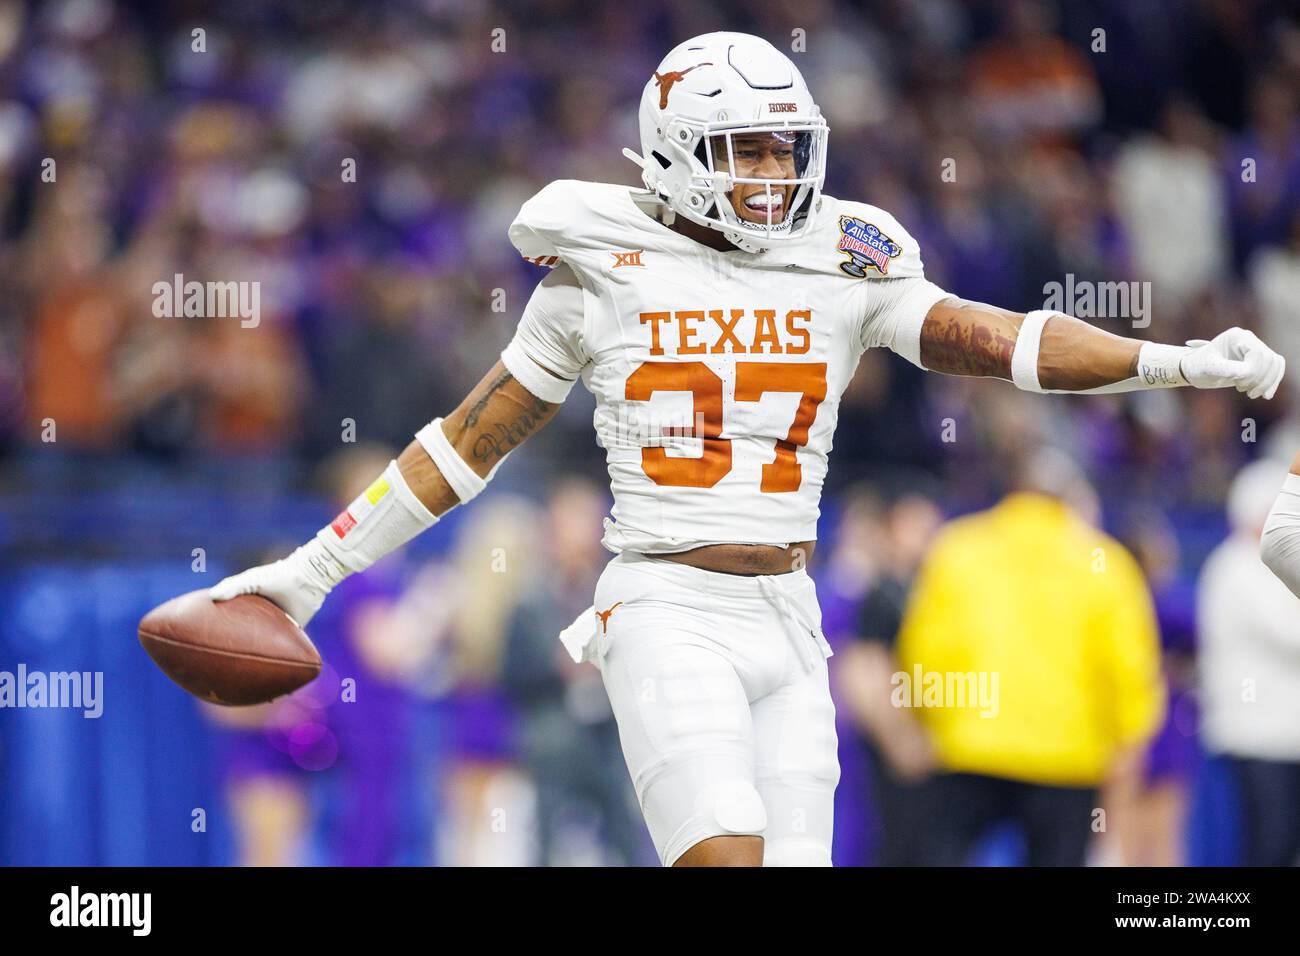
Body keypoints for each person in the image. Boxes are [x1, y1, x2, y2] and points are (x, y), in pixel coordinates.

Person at [210, 32, 1286, 867]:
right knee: (724, 851)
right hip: (667, 605)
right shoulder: (598, 265)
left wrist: (1173, 361)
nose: (774, 172)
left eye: (786, 146)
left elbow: (998, 340)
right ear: (675, 152)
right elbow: (464, 445)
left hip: (790, 610)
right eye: (746, 148)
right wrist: (312, 572)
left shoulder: (840, 259)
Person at [892, 451, 1166, 866]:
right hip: (1069, 759)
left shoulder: (958, 549)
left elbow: (925, 650)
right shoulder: (1106, 564)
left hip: (970, 750)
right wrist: (1127, 740)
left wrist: (933, 722)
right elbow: (1130, 669)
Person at [1205, 458, 1300, 865]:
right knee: (1270, 841)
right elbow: (1290, 635)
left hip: (1279, 734)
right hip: (1261, 734)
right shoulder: (1239, 566)